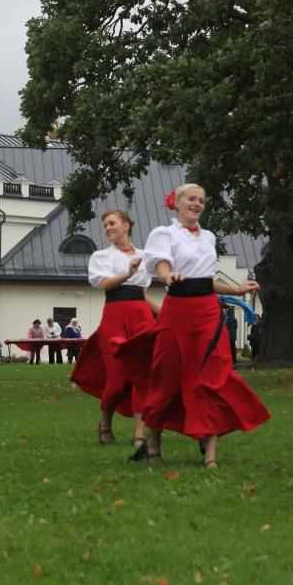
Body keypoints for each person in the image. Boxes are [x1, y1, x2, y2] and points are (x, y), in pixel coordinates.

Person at [117, 184, 270, 467]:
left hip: (208, 312)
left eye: (201, 199)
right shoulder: (164, 234)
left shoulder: (209, 237)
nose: (197, 203)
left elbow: (206, 278)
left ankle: (210, 454)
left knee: (213, 375)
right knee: (167, 376)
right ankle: (154, 438)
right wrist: (168, 276)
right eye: (191, 198)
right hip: (177, 312)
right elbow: (160, 265)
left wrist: (236, 290)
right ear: (177, 202)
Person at [70, 210, 155, 447]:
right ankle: (105, 423)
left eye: (112, 223)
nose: (107, 227)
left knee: (141, 375)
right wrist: (127, 272)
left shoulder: (144, 255)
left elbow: (141, 292)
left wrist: (163, 312)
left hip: (140, 315)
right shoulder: (101, 256)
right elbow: (105, 284)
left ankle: (139, 435)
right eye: (105, 225)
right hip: (115, 316)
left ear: (126, 225)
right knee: (117, 378)